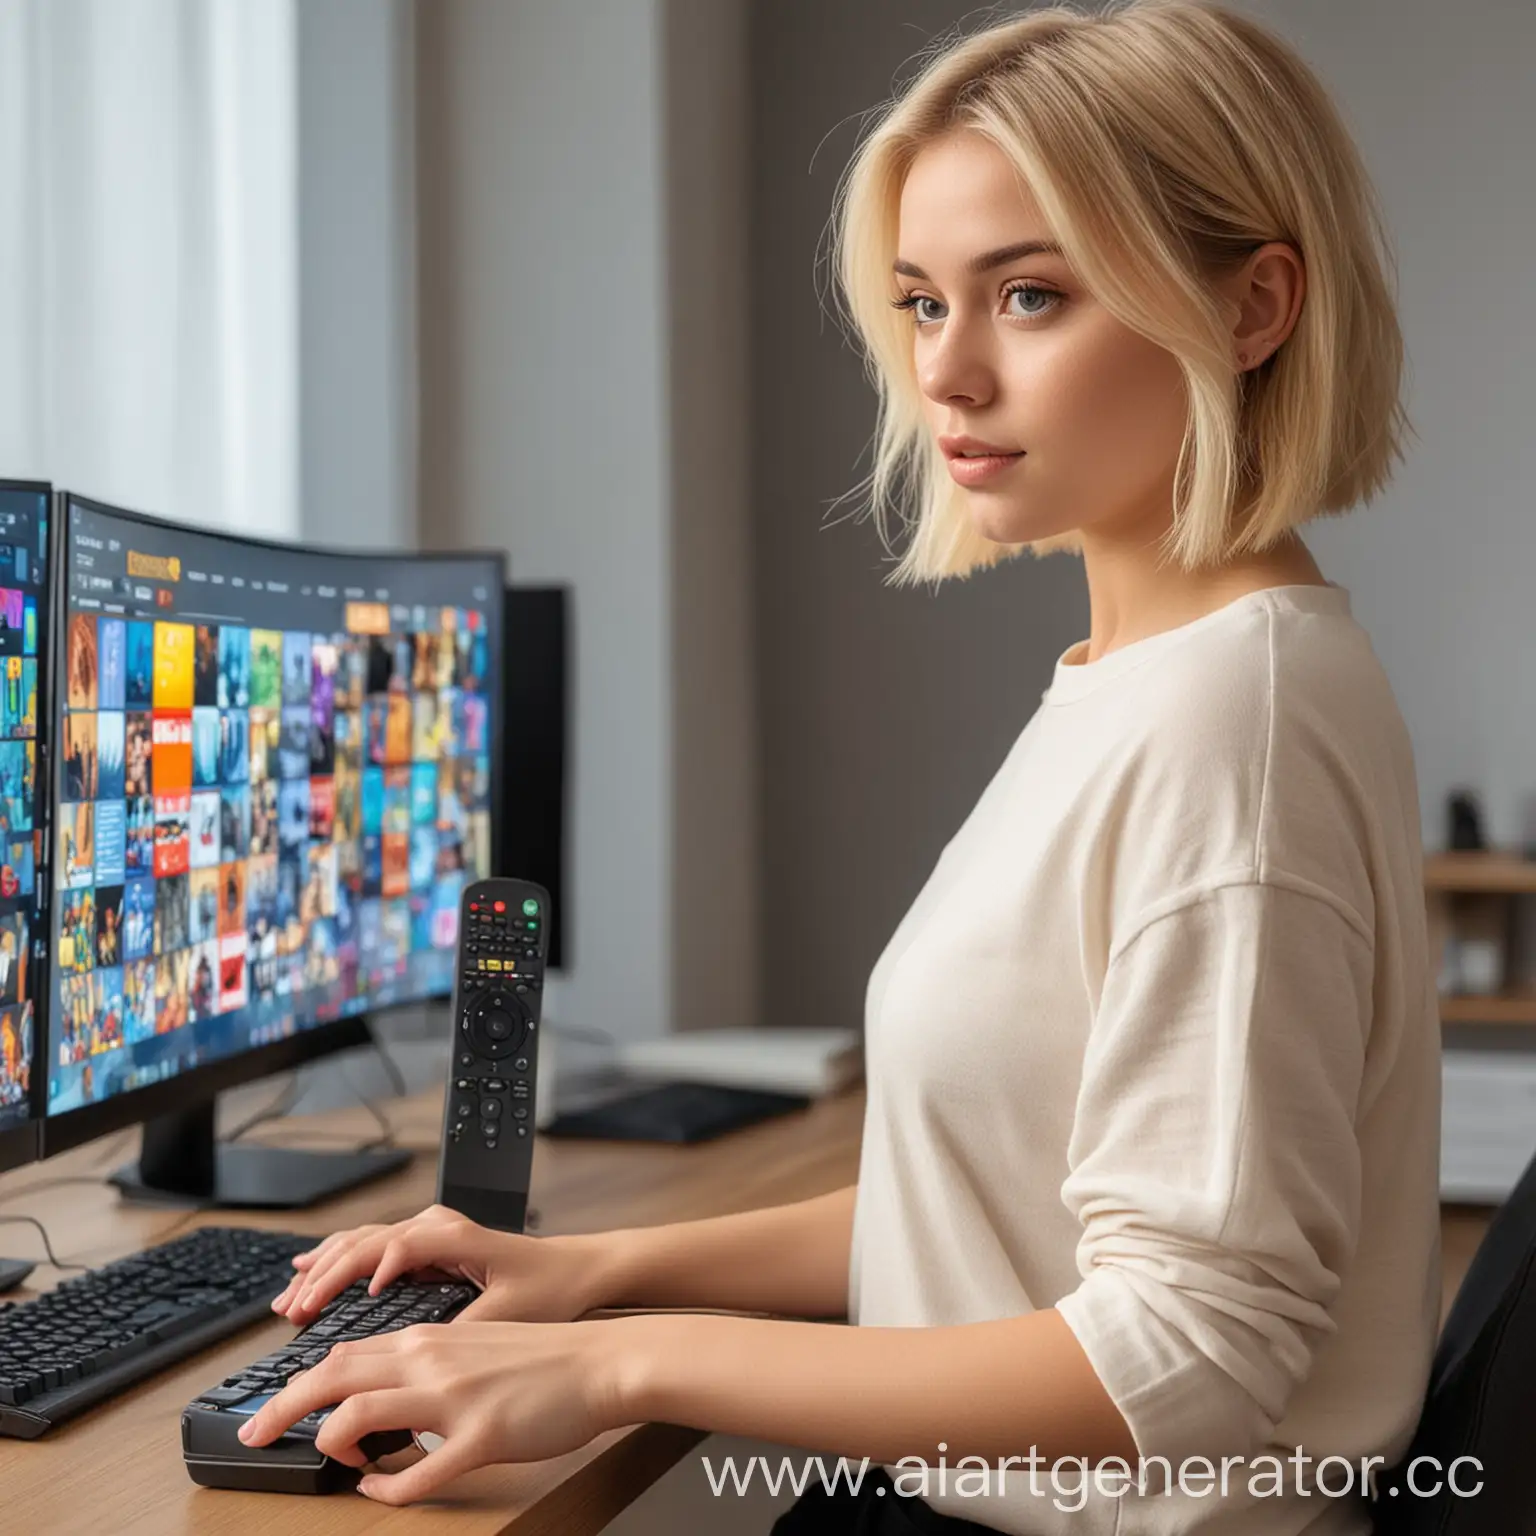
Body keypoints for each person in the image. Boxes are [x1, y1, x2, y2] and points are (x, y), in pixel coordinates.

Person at [239, 2, 1441, 1530]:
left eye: (1030, 295)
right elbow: (1010, 1208)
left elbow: (1186, 1354)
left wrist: (623, 1370)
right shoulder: (1149, 681)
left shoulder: (1234, 721)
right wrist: (604, 1273)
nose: (948, 374)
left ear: (1256, 306)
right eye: (925, 303)